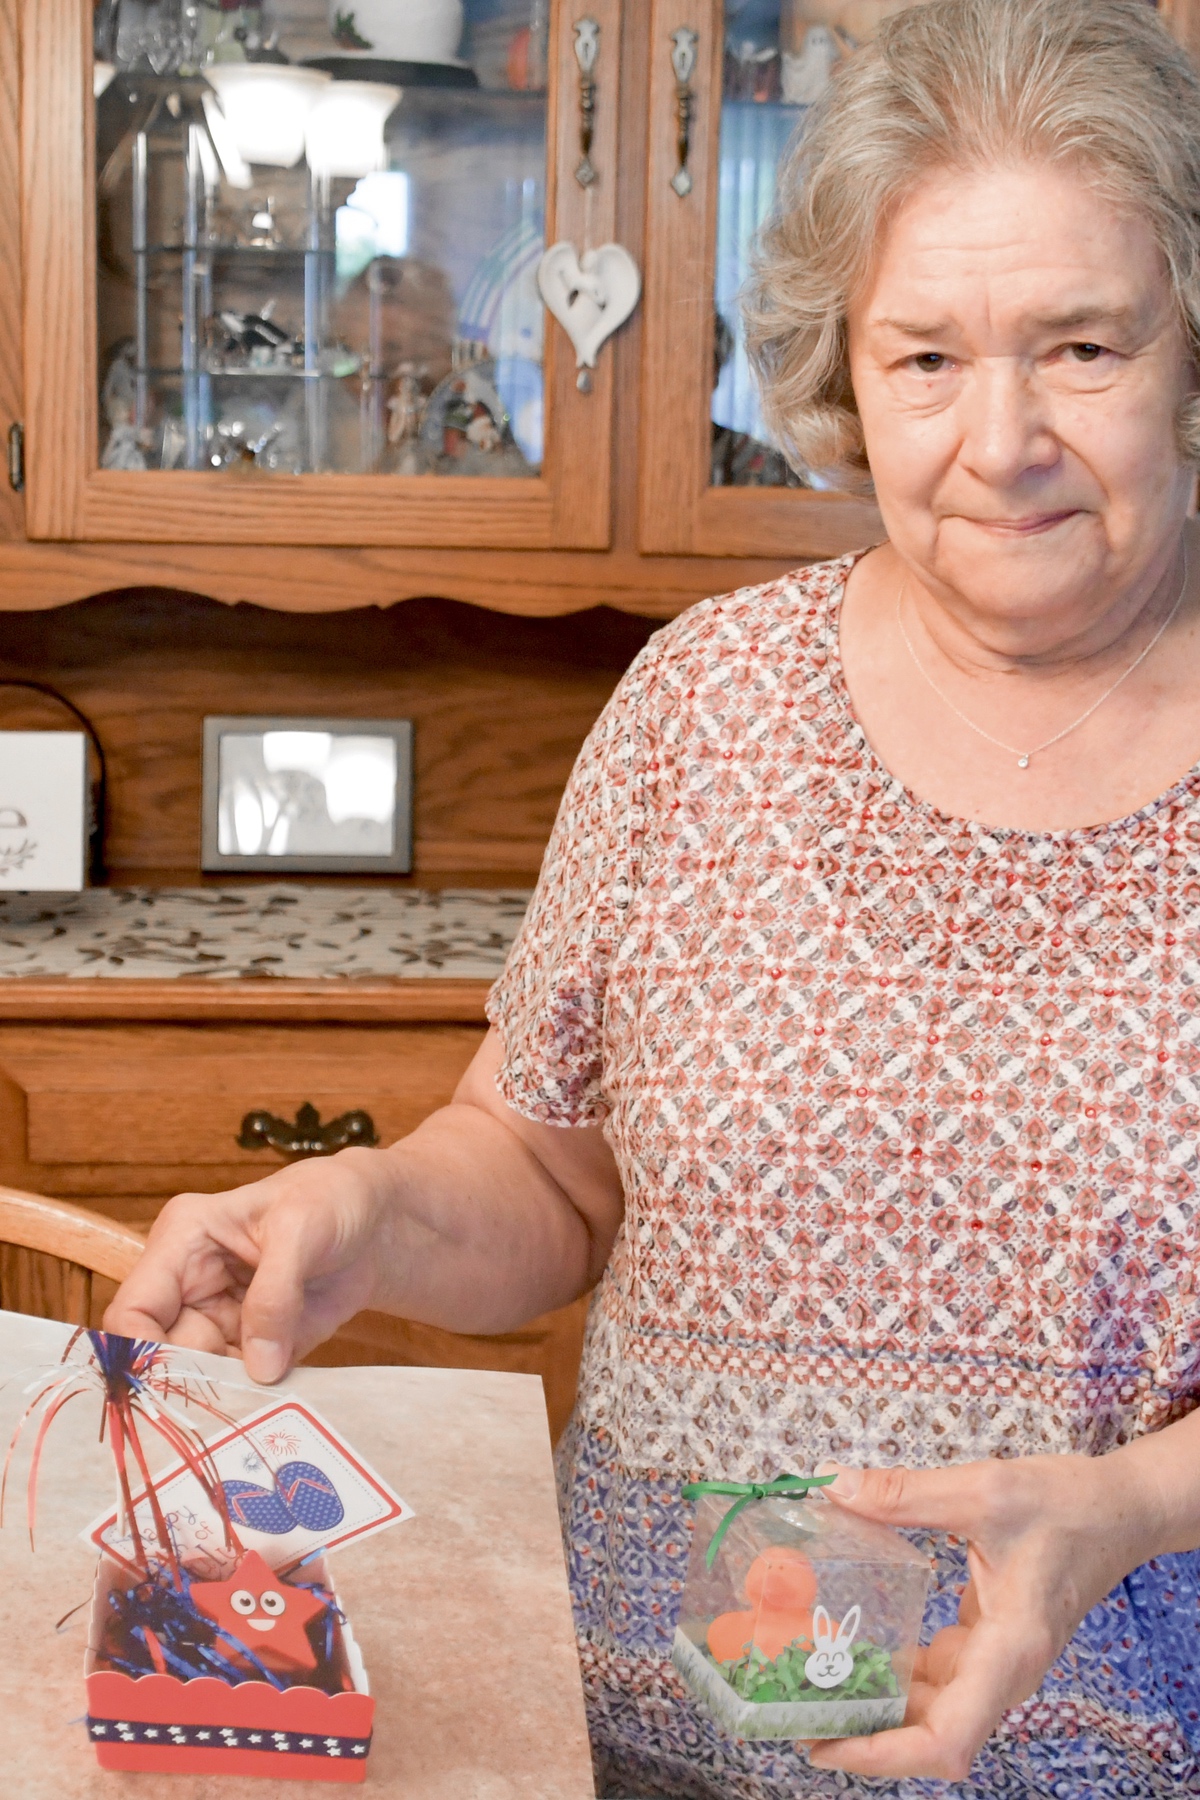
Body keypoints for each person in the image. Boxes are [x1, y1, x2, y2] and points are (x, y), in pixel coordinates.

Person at [107, 1, 1200, 1792]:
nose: (997, 439)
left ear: (1193, 348)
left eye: (1082, 346)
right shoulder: (704, 703)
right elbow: (545, 1167)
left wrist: (1129, 1508)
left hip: (1117, 1753)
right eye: (927, 358)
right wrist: (369, 1207)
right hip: (631, 1731)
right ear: (847, 373)